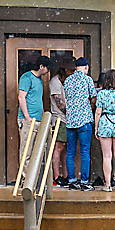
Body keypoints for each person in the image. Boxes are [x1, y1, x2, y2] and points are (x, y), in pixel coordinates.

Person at [62, 56, 96, 189]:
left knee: (70, 152)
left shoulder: (68, 80)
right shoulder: (87, 79)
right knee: (85, 151)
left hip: (70, 120)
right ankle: (84, 182)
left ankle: (71, 180)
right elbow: (93, 97)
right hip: (84, 120)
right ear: (86, 67)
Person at [17, 55, 48, 154]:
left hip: (38, 120)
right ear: (41, 66)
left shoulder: (39, 80)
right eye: (48, 68)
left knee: (37, 153)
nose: (48, 71)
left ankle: (36, 170)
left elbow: (39, 99)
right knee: (26, 151)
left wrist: (42, 116)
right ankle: (25, 170)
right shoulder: (27, 77)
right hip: (29, 120)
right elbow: (21, 97)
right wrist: (27, 117)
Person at [49, 53, 72, 186]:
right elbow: (60, 104)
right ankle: (56, 176)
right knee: (58, 147)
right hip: (59, 119)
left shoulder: (67, 81)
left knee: (67, 148)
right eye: (71, 70)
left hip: (68, 120)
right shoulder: (55, 82)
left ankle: (66, 175)